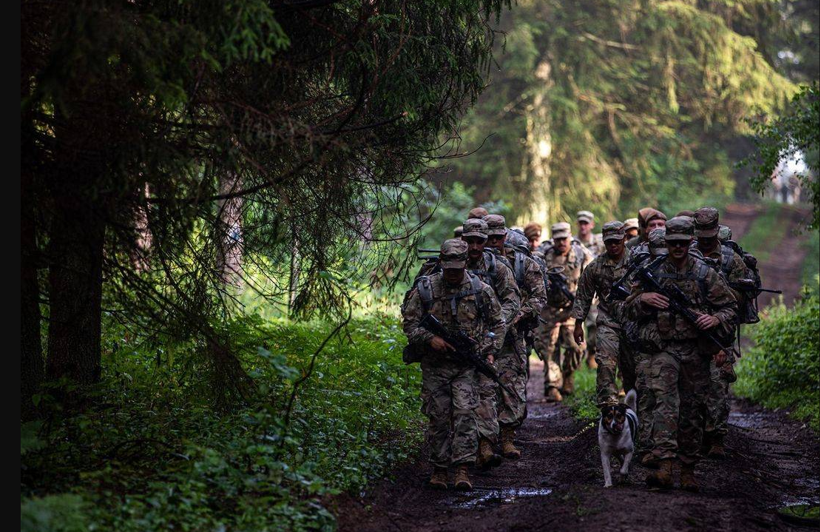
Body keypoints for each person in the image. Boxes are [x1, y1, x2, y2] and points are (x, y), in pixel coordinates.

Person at [624, 217, 737, 491]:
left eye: (682, 243)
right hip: (663, 350)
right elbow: (625, 308)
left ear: (690, 242)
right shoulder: (652, 271)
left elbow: (731, 307)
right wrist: (642, 300)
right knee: (665, 405)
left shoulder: (704, 273)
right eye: (673, 243)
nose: (677, 248)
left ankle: (687, 469)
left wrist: (714, 320)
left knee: (692, 410)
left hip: (695, 352)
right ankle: (665, 467)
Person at [401, 239, 504, 490]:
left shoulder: (480, 289)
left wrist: (490, 352)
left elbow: (498, 324)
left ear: (466, 263)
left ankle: (462, 469)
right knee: (438, 416)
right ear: (443, 264)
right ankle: (439, 469)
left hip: (465, 367)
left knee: (465, 414)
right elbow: (410, 324)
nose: (454, 274)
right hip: (435, 366)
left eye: (458, 269)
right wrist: (430, 338)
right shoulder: (425, 289)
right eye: (449, 269)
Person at [484, 215, 546, 459]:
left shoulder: (521, 263)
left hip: (512, 336)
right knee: (483, 389)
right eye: (489, 237)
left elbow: (539, 296)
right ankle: (485, 442)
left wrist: (520, 314)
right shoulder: (474, 264)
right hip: (481, 337)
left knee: (512, 387)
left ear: (505, 236)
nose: (493, 242)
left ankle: (507, 437)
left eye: (498, 237)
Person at [461, 218, 521, 467]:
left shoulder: (498, 267)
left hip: (490, 339)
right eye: (470, 241)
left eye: (479, 242)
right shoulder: (451, 264)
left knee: (487, 391)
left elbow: (512, 300)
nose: (474, 247)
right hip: (459, 340)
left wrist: (496, 326)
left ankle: (486, 445)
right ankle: (461, 451)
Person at [693, 207, 747, 459]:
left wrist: (718, 302)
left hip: (720, 332)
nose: (704, 240)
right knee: (693, 386)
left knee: (717, 386)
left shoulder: (730, 259)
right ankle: (695, 435)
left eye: (708, 235)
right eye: (700, 235)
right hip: (690, 332)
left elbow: (742, 296)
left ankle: (716, 437)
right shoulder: (686, 256)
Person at [571, 221, 630, 408]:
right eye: (609, 242)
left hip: (635, 323)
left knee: (634, 367)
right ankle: (608, 405)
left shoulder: (637, 262)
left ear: (625, 239)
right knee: (605, 363)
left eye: (617, 241)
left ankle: (634, 405)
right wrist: (578, 324)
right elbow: (583, 296)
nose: (613, 245)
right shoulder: (595, 267)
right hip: (608, 321)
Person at [534, 222, 593, 401]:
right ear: (553, 240)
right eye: (558, 239)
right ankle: (552, 385)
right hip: (549, 309)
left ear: (569, 237)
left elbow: (591, 280)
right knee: (548, 349)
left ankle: (568, 376)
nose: (561, 243)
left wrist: (581, 300)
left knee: (576, 348)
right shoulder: (543, 256)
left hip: (571, 310)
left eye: (564, 239)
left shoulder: (582, 255)